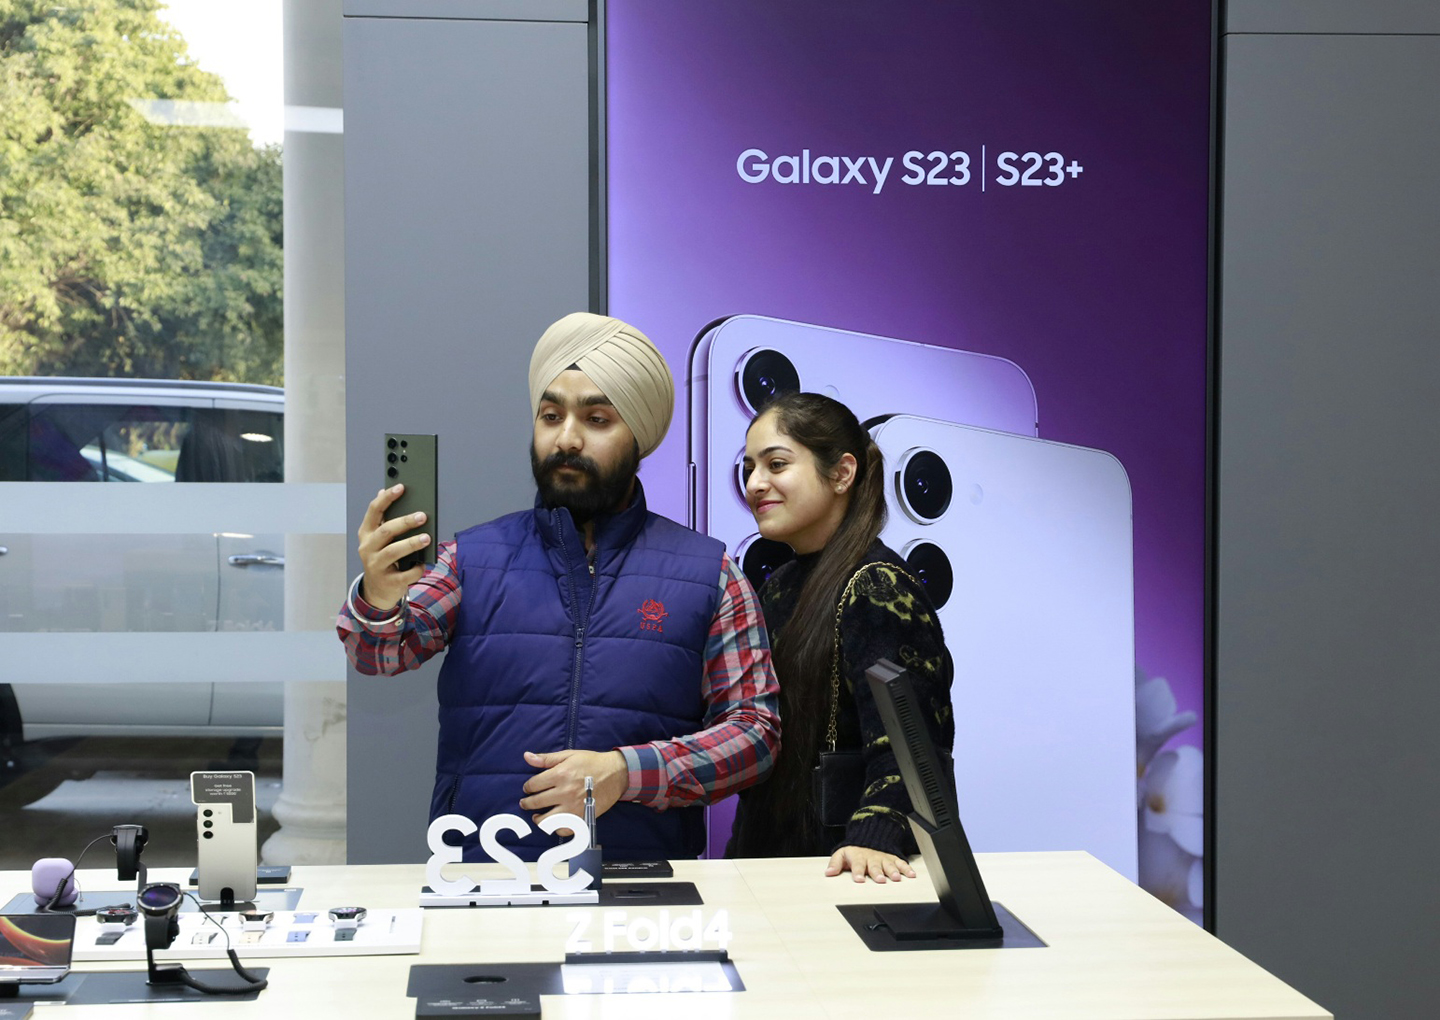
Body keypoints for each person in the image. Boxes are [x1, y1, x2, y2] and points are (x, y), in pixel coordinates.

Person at [337, 313, 780, 862]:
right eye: (551, 416)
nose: (566, 438)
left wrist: (627, 772)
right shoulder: (469, 560)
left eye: (597, 419)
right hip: (482, 878)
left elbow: (755, 735)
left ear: (638, 439)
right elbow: (379, 654)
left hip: (641, 884)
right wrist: (380, 594)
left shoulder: (710, 573)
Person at [727, 391, 954, 882]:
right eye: (749, 468)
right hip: (769, 865)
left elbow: (913, 744)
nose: (755, 484)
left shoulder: (877, 584)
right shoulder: (779, 585)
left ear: (842, 473)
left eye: (776, 464)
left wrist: (874, 836)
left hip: (850, 870)